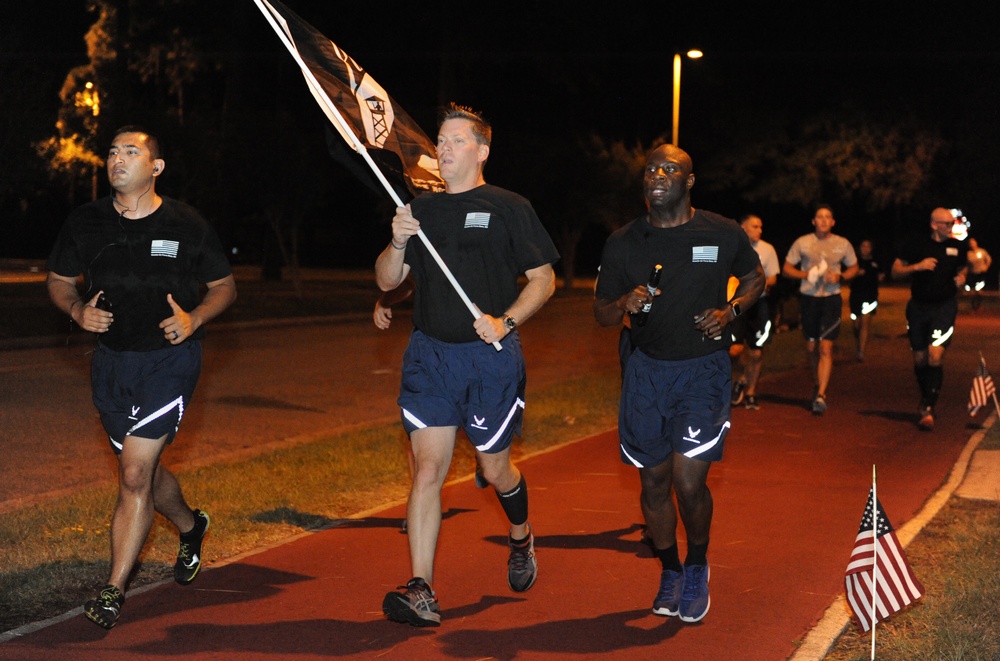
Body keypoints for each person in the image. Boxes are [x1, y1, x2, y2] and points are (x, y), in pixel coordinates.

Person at [374, 104, 559, 627]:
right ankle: (420, 588)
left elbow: (543, 278)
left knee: (492, 467)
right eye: (441, 139)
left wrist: (506, 321)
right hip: (430, 357)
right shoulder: (421, 209)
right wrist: (397, 238)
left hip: (489, 360)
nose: (445, 147)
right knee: (427, 470)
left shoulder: (509, 206)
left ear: (482, 150)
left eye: (457, 140)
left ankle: (520, 535)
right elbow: (388, 280)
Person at [46, 126, 237, 629]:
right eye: (112, 151)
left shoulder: (186, 223)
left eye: (131, 151)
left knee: (133, 474)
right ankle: (191, 526)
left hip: (168, 361)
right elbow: (60, 280)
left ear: (156, 167)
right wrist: (76, 311)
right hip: (111, 363)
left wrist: (195, 318)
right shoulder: (84, 222)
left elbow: (224, 286)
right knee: (143, 473)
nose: (117, 159)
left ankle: (112, 591)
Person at [594, 144, 765, 623]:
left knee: (689, 482)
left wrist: (730, 311)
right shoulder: (624, 242)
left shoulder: (722, 231)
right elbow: (602, 313)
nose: (658, 174)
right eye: (651, 168)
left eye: (671, 169)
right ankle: (669, 568)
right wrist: (626, 301)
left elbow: (755, 278)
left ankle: (696, 565)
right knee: (654, 482)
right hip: (646, 371)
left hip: (703, 370)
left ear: (689, 181)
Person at [891, 207, 971, 430]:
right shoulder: (916, 244)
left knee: (935, 355)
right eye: (946, 224)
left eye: (951, 223)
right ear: (934, 225)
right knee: (919, 358)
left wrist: (961, 277)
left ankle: (928, 407)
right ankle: (926, 397)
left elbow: (963, 266)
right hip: (918, 307)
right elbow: (895, 270)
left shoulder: (957, 246)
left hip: (944, 307)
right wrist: (918, 266)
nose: (950, 227)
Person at [781, 204, 858, 414]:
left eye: (828, 217)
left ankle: (822, 394)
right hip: (809, 298)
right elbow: (786, 268)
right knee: (811, 348)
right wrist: (806, 275)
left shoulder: (842, 244)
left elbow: (854, 267)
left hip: (831, 299)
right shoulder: (803, 243)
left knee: (826, 347)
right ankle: (818, 384)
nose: (823, 220)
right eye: (819, 217)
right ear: (814, 221)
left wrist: (840, 276)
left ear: (833, 222)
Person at [729, 214, 780, 410]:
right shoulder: (733, 247)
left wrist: (762, 284)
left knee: (757, 352)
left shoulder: (768, 249)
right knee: (734, 350)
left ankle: (750, 392)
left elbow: (774, 278)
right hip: (737, 304)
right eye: (755, 226)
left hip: (759, 304)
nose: (759, 230)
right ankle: (741, 378)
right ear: (743, 227)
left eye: (761, 227)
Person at [848, 239, 882, 362]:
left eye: (868, 246)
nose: (865, 248)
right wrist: (855, 274)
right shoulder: (853, 262)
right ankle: (858, 345)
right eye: (863, 246)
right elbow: (847, 276)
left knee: (865, 323)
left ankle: (861, 351)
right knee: (857, 324)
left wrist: (880, 277)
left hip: (870, 296)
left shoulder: (875, 262)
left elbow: (882, 274)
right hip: (856, 295)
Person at [965, 237, 992, 311]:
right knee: (972, 292)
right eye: (970, 243)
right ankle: (973, 306)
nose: (972, 244)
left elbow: (989, 259)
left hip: (980, 274)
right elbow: (966, 265)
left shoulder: (982, 251)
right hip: (972, 274)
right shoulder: (968, 254)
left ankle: (978, 305)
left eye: (973, 243)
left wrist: (986, 266)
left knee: (979, 291)